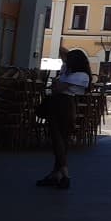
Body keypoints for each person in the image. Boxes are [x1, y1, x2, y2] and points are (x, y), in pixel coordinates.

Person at [38, 48, 91, 189]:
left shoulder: (79, 75)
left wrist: (57, 82)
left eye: (68, 59)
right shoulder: (73, 73)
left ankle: (65, 174)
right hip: (65, 104)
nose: (65, 61)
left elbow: (57, 88)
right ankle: (56, 174)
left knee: (58, 138)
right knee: (61, 139)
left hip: (63, 104)